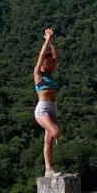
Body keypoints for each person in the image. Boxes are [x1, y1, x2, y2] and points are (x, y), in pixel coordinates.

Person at [34, 28, 62, 177]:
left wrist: (52, 43)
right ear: (43, 63)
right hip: (42, 109)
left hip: (53, 108)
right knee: (56, 133)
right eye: (48, 62)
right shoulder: (38, 75)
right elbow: (40, 56)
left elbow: (56, 57)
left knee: (48, 141)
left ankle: (48, 169)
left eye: (51, 62)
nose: (51, 64)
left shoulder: (50, 75)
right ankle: (48, 169)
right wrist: (46, 41)